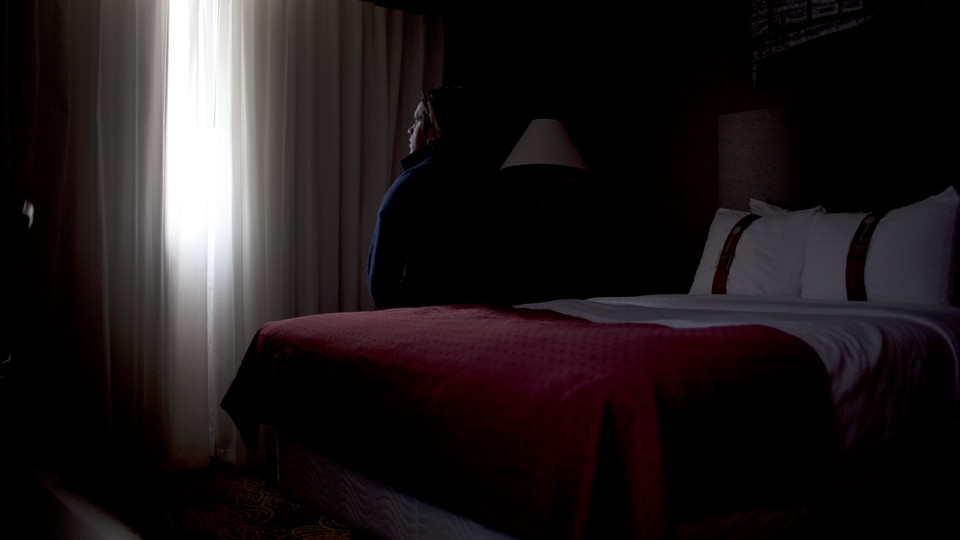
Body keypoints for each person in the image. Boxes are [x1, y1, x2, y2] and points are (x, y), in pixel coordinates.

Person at [366, 86, 498, 310]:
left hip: (420, 311)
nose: (409, 130)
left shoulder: (410, 185)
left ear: (433, 131)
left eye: (417, 122)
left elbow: (381, 281)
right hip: (481, 313)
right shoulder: (487, 183)